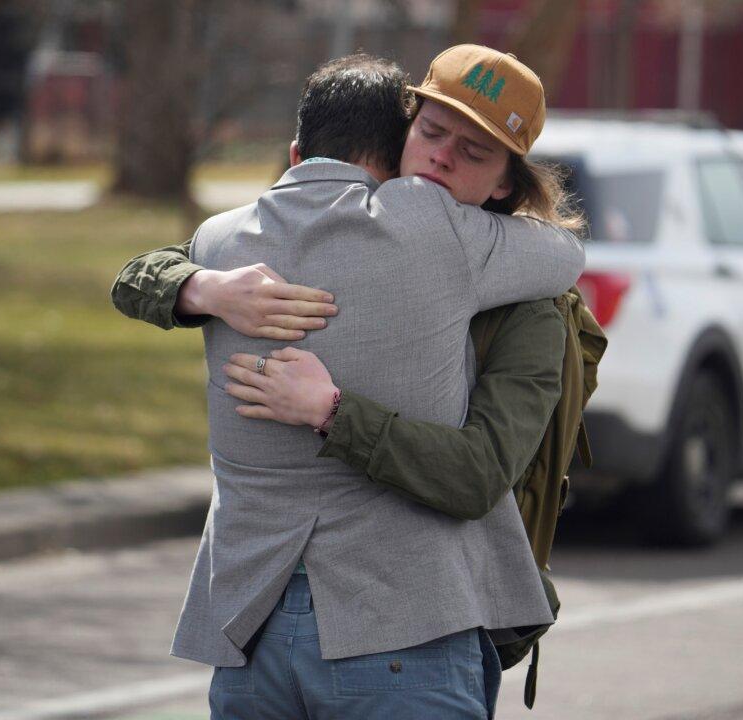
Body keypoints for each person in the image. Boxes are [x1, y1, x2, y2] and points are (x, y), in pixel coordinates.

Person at [112, 48, 586, 719]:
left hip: (303, 630)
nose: (443, 159)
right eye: (431, 133)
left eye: (475, 152)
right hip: (366, 634)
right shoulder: (414, 229)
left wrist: (332, 410)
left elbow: (479, 474)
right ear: (398, 141)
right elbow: (568, 250)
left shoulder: (229, 237)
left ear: (508, 183)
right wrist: (200, 288)